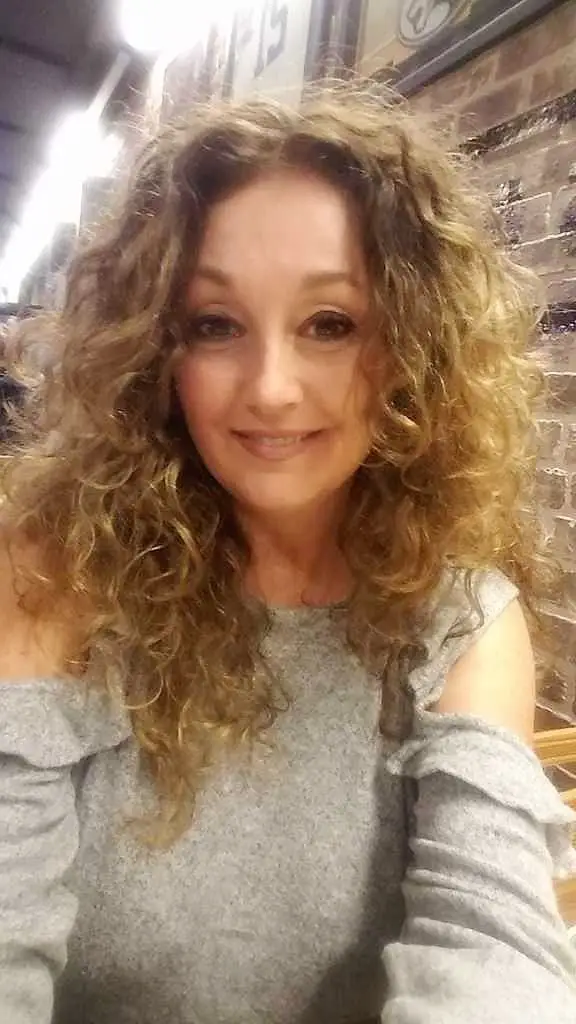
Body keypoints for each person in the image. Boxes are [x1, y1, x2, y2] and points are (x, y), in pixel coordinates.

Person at [0, 83, 575, 1024]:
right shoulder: (56, 579)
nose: (271, 387)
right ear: (155, 354)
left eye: (330, 324)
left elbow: (494, 950)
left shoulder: (461, 625)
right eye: (215, 324)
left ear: (410, 349)